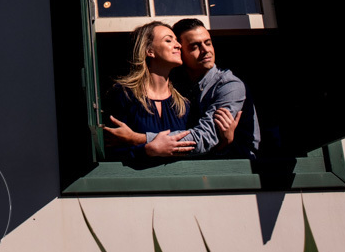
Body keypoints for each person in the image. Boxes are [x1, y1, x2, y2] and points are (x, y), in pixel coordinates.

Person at [101, 21, 197, 159]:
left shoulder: (184, 102)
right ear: (149, 51)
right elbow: (110, 147)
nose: (178, 45)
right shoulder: (124, 94)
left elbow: (194, 146)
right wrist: (146, 150)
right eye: (169, 40)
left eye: (176, 41)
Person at [169, 17, 259, 159]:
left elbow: (206, 137)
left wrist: (145, 141)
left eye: (208, 43)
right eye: (195, 47)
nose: (205, 50)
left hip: (239, 169)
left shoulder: (230, 86)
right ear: (180, 52)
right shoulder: (176, 85)